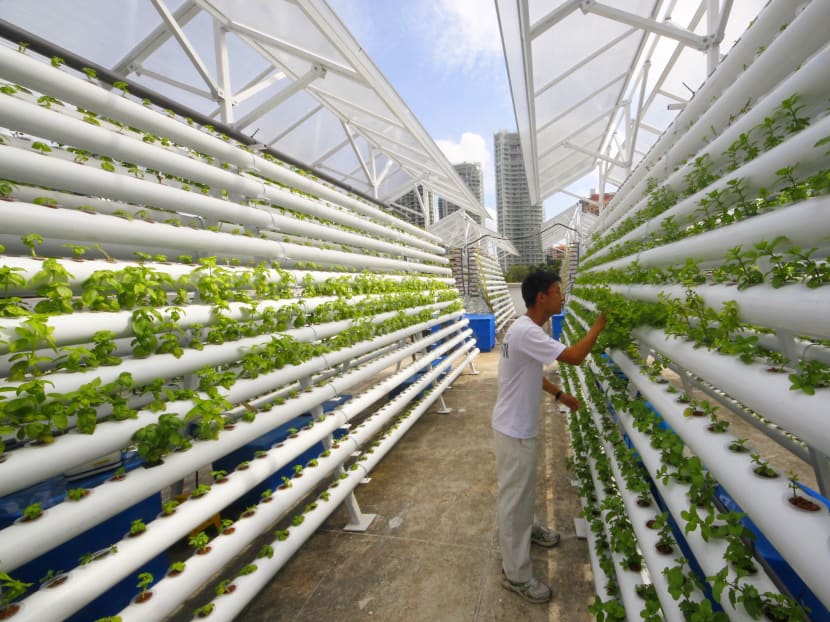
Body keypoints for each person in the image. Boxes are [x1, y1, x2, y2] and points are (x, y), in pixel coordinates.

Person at [492, 270, 606, 604]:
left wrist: (558, 394)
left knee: (523, 489)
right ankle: (516, 575)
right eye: (557, 291)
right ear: (542, 297)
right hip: (514, 430)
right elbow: (574, 357)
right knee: (513, 501)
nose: (562, 297)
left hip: (513, 425)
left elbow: (530, 372)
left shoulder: (525, 329)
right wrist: (599, 324)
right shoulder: (527, 331)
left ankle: (530, 528)